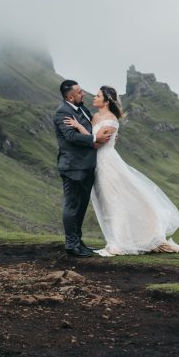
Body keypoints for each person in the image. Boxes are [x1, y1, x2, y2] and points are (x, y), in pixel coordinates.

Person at [64, 85, 179, 256]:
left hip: (108, 163)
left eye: (98, 95)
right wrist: (81, 128)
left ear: (106, 101)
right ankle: (115, 240)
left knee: (114, 202)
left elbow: (95, 143)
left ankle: (118, 243)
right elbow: (91, 138)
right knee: (105, 203)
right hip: (96, 163)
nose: (94, 97)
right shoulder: (95, 117)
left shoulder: (111, 120)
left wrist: (78, 127)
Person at [53, 80, 116, 257]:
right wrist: (95, 139)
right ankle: (71, 245)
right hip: (72, 167)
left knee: (81, 206)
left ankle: (78, 242)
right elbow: (71, 136)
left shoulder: (82, 110)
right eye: (80, 92)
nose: (84, 94)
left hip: (88, 166)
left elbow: (89, 129)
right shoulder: (62, 113)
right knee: (71, 205)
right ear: (70, 96)